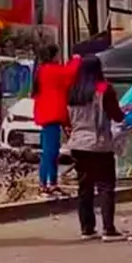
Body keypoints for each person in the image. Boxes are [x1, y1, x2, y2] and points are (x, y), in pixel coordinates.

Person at [65, 55, 125, 241]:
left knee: (85, 188)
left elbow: (66, 119)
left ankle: (87, 229)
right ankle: (109, 229)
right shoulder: (104, 90)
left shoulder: (73, 91)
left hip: (77, 144)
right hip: (99, 144)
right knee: (106, 186)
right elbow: (117, 116)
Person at [31, 44, 80, 195]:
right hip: (52, 115)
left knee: (51, 151)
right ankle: (44, 183)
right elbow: (69, 73)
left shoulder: (42, 70)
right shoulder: (51, 70)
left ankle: (51, 182)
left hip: (47, 115)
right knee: (50, 152)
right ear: (53, 56)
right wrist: (77, 60)